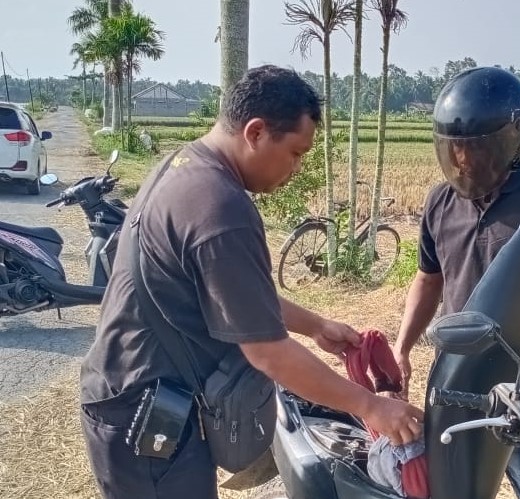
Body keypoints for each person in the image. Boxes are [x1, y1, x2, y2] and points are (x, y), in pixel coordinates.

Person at [79, 65, 423, 499]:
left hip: (131, 396)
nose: (297, 168)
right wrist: (371, 405)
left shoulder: (185, 165)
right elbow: (269, 354)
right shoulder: (220, 208)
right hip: (144, 415)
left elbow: (234, 292)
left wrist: (315, 326)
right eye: (296, 153)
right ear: (256, 132)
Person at [392, 66, 520, 498]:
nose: (464, 160)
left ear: (512, 141)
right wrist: (402, 347)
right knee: (455, 485)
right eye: (455, 149)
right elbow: (428, 280)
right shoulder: (439, 201)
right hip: (456, 375)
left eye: (476, 148)